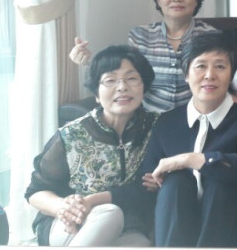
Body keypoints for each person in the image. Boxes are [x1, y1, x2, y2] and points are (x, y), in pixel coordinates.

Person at [135, 33, 237, 247]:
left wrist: (190, 160)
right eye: (200, 66)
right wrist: (156, 182)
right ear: (186, 74)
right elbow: (148, 177)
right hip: (177, 222)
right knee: (176, 182)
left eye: (220, 66)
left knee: (221, 181)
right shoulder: (167, 122)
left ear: (232, 74)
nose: (209, 75)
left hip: (231, 225)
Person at [25, 46, 159, 246]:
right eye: (110, 80)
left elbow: (148, 187)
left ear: (144, 87)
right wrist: (64, 207)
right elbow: (35, 192)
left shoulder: (156, 128)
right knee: (110, 214)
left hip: (129, 226)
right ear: (96, 93)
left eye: (131, 78)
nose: (122, 87)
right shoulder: (73, 134)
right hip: (69, 223)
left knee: (141, 245)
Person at [69, 0, 217, 113]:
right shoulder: (140, 36)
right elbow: (124, 74)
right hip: (150, 121)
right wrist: (89, 61)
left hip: (197, 119)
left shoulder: (210, 36)